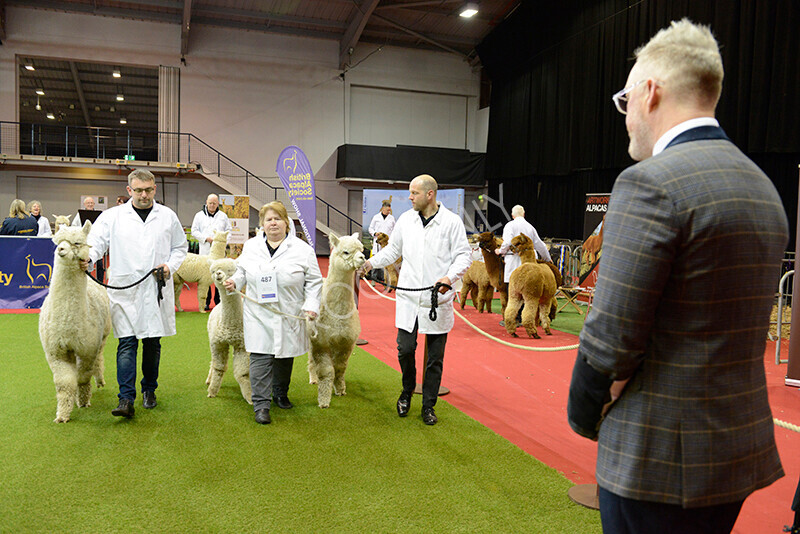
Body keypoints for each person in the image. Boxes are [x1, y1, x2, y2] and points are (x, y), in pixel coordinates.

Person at [566, 19, 787, 533]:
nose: (625, 119)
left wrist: (582, 416)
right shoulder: (763, 188)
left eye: (624, 103)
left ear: (650, 92)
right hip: (732, 453)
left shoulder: (650, 184)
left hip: (656, 459)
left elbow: (610, 339)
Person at [361, 174, 471, 426]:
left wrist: (448, 277)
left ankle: (429, 405)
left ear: (430, 194)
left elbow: (463, 256)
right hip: (409, 296)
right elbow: (393, 250)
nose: (409, 197)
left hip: (437, 298)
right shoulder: (406, 220)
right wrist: (369, 263)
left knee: (435, 357)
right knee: (405, 349)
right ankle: (407, 390)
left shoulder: (451, 222)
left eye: (414, 193)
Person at [86, 169, 188, 418]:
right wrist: (87, 259)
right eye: (139, 190)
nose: (144, 195)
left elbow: (180, 247)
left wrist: (169, 266)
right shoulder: (112, 217)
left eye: (149, 190)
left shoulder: (167, 216)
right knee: (127, 343)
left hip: (155, 288)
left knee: (153, 343)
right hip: (125, 290)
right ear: (129, 190)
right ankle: (125, 398)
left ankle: (149, 390)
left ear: (154, 189)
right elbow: (96, 243)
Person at [223, 201, 322, 425]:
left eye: (278, 218)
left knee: (284, 354)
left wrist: (312, 304)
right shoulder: (251, 247)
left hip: (289, 311)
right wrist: (234, 283)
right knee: (260, 355)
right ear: (262, 225)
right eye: (269, 219)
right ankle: (261, 404)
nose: (273, 223)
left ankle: (280, 392)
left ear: (287, 223)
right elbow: (242, 272)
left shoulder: (303, 250)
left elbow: (315, 282)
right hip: (258, 312)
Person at [494, 204, 551, 325]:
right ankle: (528, 318)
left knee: (514, 291)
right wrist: (547, 258)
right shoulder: (530, 227)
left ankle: (514, 318)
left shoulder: (509, 225)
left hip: (514, 263)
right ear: (524, 214)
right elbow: (539, 244)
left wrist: (501, 251)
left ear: (512, 215)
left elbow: (508, 242)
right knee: (530, 291)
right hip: (530, 264)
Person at [191, 193, 231, 311]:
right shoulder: (198, 216)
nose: (212, 205)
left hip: (219, 253)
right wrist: (205, 238)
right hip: (205, 251)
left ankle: (219, 302)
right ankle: (206, 302)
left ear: (217, 203)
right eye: (210, 203)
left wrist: (222, 242)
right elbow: (194, 231)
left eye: (214, 203)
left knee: (220, 275)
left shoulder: (223, 216)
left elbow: (229, 231)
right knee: (206, 277)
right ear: (206, 203)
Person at [73, 195, 105, 281]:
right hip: (84, 242)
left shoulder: (100, 215)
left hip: (96, 241)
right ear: (84, 204)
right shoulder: (79, 215)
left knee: (99, 264)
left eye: (91, 203)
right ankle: (86, 281)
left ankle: (100, 282)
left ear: (94, 204)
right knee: (85, 262)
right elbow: (74, 226)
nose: (90, 204)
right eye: (88, 203)